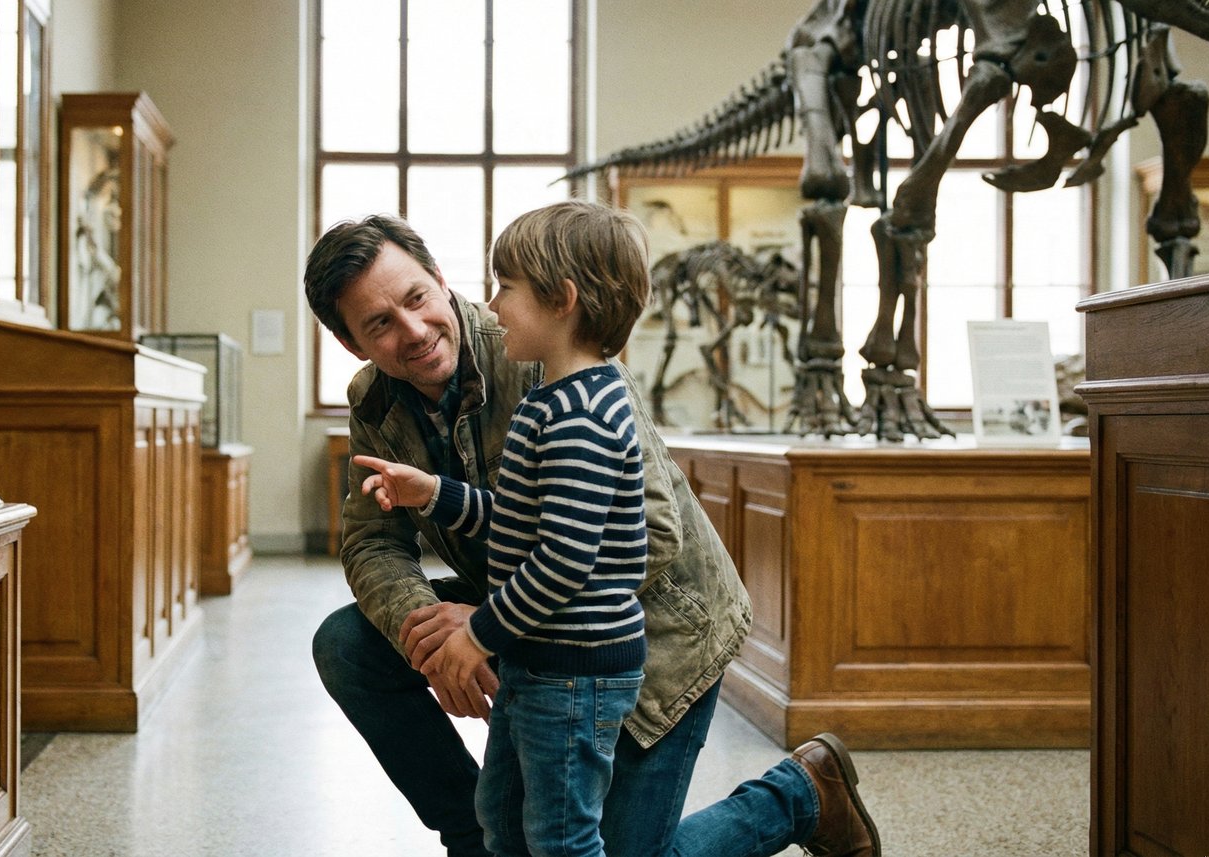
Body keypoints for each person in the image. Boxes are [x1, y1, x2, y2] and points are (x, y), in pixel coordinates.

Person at [305, 208, 881, 857]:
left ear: (439, 279)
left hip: (653, 637)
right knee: (347, 643)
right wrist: (434, 633)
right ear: (354, 343)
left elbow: (643, 533)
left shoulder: (550, 356)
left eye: (417, 298)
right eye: (380, 323)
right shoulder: (374, 399)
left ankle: (800, 795)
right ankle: (479, 845)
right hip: (540, 627)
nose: (413, 331)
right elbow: (376, 540)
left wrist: (483, 627)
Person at [351, 200, 653, 857]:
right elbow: (524, 516)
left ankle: (793, 798)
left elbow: (564, 559)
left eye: (505, 288)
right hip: (538, 652)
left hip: (574, 667)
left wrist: (478, 635)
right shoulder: (553, 399)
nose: (488, 305)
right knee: (504, 819)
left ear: (561, 300)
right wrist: (433, 495)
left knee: (563, 839)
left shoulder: (581, 415)